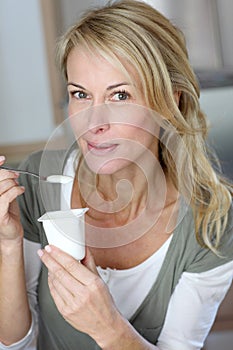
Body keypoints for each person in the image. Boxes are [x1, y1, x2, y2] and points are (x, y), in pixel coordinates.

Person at [0, 0, 233, 349]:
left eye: (119, 95)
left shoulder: (212, 224)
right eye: (80, 94)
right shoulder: (35, 180)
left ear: (170, 102)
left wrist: (108, 327)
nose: (93, 123)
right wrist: (7, 245)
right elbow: (15, 344)